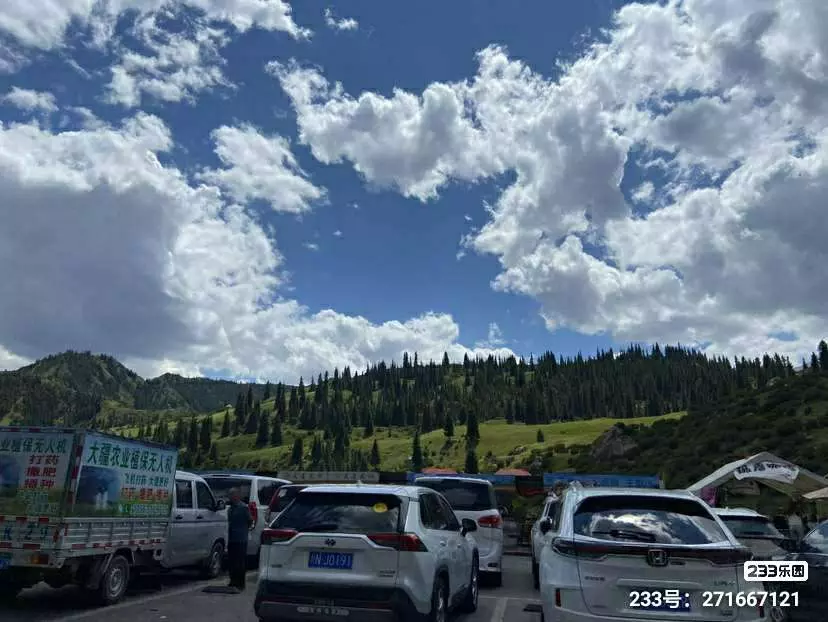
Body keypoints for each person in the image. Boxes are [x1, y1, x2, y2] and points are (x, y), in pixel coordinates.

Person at [226, 488, 253, 591]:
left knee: (240, 562)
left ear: (237, 496)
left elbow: (250, 520)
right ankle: (233, 581)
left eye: (232, 495)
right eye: (229, 495)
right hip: (231, 538)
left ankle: (240, 583)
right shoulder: (230, 508)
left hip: (241, 538)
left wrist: (244, 529)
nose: (230, 497)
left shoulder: (243, 507)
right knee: (231, 561)